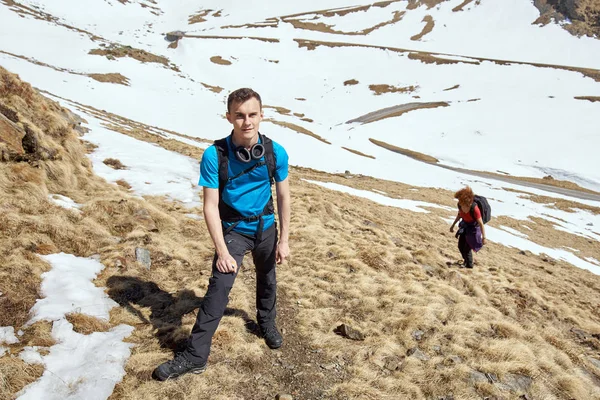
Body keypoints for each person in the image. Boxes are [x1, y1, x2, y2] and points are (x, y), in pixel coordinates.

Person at [153, 88, 290, 381]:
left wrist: (284, 240)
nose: (246, 121)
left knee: (267, 279)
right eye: (239, 115)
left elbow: (283, 196)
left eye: (252, 114)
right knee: (218, 289)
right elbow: (210, 206)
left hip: (266, 226)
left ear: (262, 115)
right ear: (228, 117)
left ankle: (267, 324)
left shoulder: (275, 152)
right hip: (233, 231)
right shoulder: (214, 155)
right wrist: (223, 251)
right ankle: (195, 356)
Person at [449, 186, 486, 269]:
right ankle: (466, 261)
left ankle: (469, 266)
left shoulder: (474, 209)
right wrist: (452, 225)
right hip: (465, 226)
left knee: (467, 248)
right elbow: (459, 215)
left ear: (466, 200)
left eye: (460, 200)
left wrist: (484, 237)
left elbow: (481, 223)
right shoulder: (460, 205)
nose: (459, 202)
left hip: (473, 229)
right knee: (460, 246)